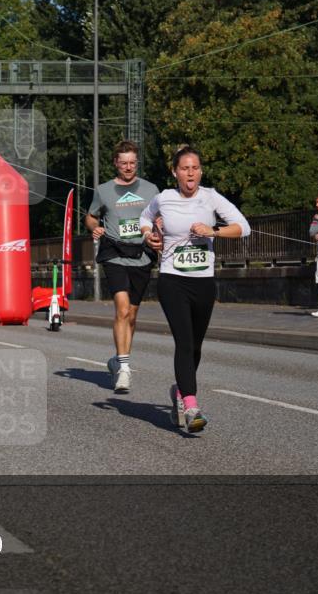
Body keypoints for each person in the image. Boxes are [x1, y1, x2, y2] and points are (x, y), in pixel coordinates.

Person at [139, 146, 249, 433]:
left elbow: (243, 227)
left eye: (195, 167)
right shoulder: (164, 198)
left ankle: (179, 391)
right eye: (185, 168)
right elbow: (144, 219)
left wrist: (213, 232)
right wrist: (150, 236)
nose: (191, 173)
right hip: (172, 280)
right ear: (175, 172)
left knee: (196, 346)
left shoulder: (210, 197)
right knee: (185, 343)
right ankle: (191, 405)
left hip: (203, 282)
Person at [86, 140, 159, 392]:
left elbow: (159, 217)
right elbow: (91, 215)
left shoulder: (151, 189)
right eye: (123, 162)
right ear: (115, 163)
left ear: (136, 163)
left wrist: (158, 232)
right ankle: (125, 369)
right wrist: (94, 227)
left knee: (133, 315)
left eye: (132, 163)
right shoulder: (104, 190)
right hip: (114, 253)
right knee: (122, 308)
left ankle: (118, 359)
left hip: (141, 254)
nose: (128, 167)